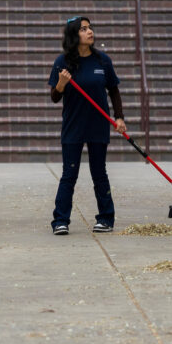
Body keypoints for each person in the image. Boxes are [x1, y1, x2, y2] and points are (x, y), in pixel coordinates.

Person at [48, 16, 126, 235]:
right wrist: (61, 84)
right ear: (74, 35)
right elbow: (54, 97)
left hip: (98, 124)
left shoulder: (103, 61)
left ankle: (106, 218)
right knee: (69, 175)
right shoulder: (62, 62)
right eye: (83, 29)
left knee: (99, 173)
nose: (89, 31)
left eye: (90, 28)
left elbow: (114, 90)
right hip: (73, 126)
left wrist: (119, 117)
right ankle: (60, 221)